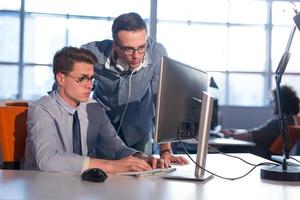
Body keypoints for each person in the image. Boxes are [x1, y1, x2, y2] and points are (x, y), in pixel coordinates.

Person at [21, 46, 169, 173]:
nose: (90, 85)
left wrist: (140, 157)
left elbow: (117, 148)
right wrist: (111, 166)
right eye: (82, 79)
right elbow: (47, 160)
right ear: (60, 79)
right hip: (42, 187)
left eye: (91, 78)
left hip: (78, 186)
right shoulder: (41, 109)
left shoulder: (93, 108)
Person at [81, 12, 188, 165]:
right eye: (128, 49)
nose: (136, 56)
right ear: (115, 45)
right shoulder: (92, 53)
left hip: (139, 128)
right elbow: (68, 90)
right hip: (101, 131)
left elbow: (162, 101)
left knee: (141, 178)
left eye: (142, 47)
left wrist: (165, 150)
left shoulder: (157, 53)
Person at [221, 85, 300, 158]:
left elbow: (254, 135)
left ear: (281, 102)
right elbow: (260, 133)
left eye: (273, 101)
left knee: (222, 148)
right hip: (269, 155)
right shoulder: (291, 120)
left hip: (260, 154)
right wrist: (237, 131)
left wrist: (231, 134)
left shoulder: (280, 122)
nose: (271, 104)